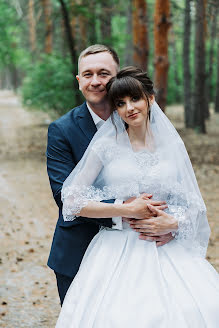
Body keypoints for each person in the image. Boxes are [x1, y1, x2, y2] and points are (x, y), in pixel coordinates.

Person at [56, 67, 219, 327]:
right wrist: (126, 209)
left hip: (165, 246)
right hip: (116, 248)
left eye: (135, 99)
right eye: (120, 103)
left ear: (150, 99)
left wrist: (172, 224)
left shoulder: (172, 147)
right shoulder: (106, 146)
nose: (129, 108)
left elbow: (194, 205)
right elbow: (72, 201)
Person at [46, 45, 173, 306]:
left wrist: (172, 225)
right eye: (88, 74)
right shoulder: (61, 130)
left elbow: (174, 190)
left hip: (147, 249)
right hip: (79, 251)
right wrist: (126, 209)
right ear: (79, 81)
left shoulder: (150, 127)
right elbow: (64, 196)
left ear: (116, 78)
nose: (95, 81)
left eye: (103, 73)